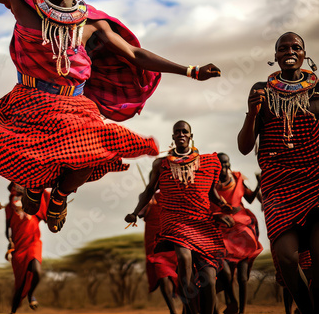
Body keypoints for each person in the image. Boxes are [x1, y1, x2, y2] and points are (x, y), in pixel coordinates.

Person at [0, 0, 221, 233]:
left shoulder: (91, 22)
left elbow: (134, 54)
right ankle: (34, 186)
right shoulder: (21, 1)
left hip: (74, 105)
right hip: (28, 100)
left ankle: (60, 197)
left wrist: (190, 70)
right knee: (15, 150)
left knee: (96, 146)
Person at [238, 32, 319, 312]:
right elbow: (245, 147)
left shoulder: (318, 92)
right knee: (286, 258)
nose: (289, 51)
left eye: (296, 46)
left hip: (315, 180)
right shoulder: (261, 91)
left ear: (304, 53)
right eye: (283, 47)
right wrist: (251, 113)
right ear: (275, 56)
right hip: (279, 185)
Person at [125, 120, 232, 314]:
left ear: (191, 136)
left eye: (185, 131)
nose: (181, 134)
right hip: (175, 221)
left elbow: (211, 193)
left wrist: (223, 206)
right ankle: (190, 308)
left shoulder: (207, 162)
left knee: (209, 277)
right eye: (177, 132)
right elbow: (149, 189)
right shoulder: (162, 164)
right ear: (173, 137)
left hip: (202, 222)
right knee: (183, 257)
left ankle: (224, 305)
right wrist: (134, 212)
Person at [211, 153, 263, 314]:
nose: (225, 167)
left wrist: (259, 185)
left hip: (242, 229)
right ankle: (231, 301)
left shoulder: (237, 178)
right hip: (222, 229)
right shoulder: (210, 185)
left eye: (227, 164)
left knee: (242, 277)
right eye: (221, 165)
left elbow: (249, 199)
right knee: (225, 271)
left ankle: (241, 310)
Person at [5, 183, 49, 314]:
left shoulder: (34, 203)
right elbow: (6, 229)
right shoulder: (9, 207)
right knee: (20, 284)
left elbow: (46, 209)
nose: (19, 188)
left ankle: (31, 294)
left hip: (33, 243)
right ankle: (13, 311)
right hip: (18, 248)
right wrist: (10, 241)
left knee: (36, 271)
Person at [137, 190, 180, 314]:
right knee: (163, 275)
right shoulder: (146, 195)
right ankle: (173, 311)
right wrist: (147, 202)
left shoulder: (174, 192)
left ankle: (188, 307)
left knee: (182, 274)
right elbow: (140, 214)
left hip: (174, 238)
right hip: (155, 243)